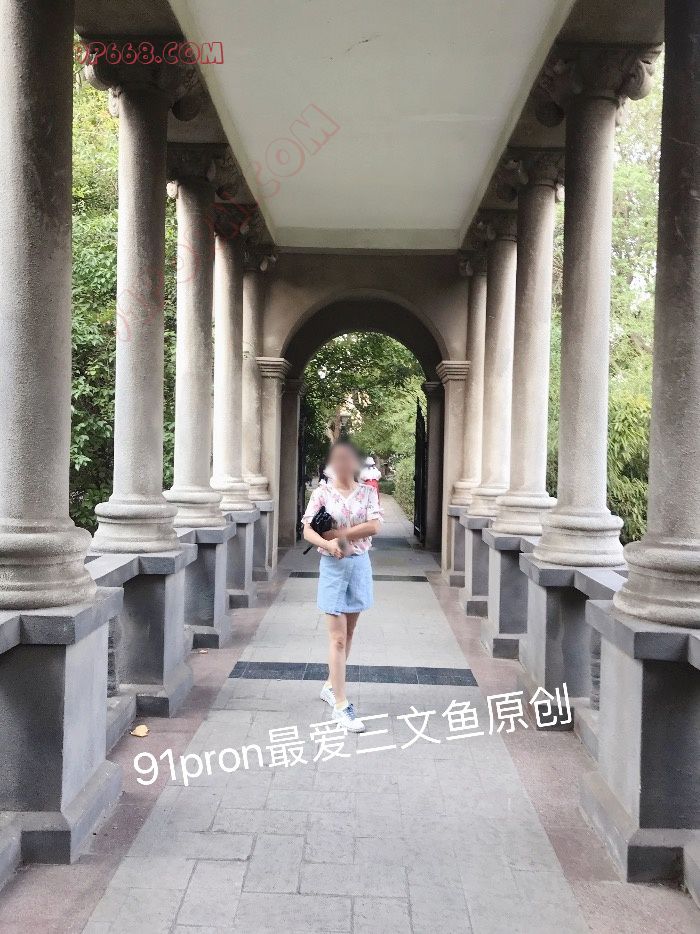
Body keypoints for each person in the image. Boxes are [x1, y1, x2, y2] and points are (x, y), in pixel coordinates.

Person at [302, 441, 383, 732]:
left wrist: (341, 534)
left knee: (348, 633)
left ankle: (330, 686)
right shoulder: (322, 493)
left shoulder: (367, 493)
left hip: (359, 565)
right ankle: (341, 705)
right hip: (332, 568)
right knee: (337, 638)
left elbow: (375, 526)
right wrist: (328, 543)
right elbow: (307, 529)